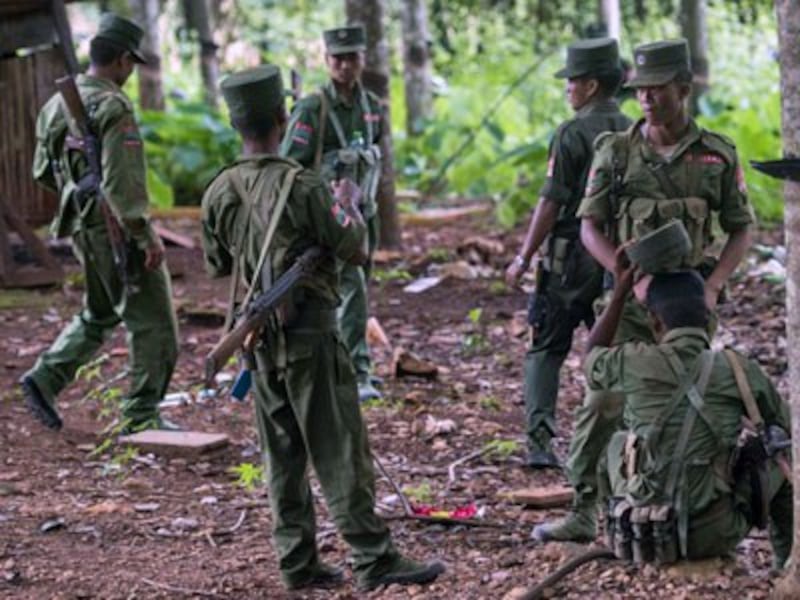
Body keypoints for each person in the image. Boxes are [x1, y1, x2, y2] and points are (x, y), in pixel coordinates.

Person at [201, 64, 444, 592]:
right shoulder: (303, 186)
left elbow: (219, 264)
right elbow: (355, 249)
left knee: (281, 456)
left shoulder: (219, 190)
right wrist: (350, 209)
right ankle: (373, 559)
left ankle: (297, 563)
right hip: (311, 338)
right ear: (282, 117)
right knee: (340, 451)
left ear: (236, 122)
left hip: (259, 343)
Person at [534, 39, 754, 541]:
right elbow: (589, 226)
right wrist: (626, 278)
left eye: (657, 90)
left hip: (688, 305)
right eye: (640, 90)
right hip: (630, 302)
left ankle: (692, 506)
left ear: (683, 87)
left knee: (690, 402)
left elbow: (741, 227)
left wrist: (715, 284)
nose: (647, 99)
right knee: (603, 400)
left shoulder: (716, 156)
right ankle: (585, 509)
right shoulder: (615, 151)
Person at [22, 13, 178, 433]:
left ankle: (45, 377)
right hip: (115, 229)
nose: (130, 73)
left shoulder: (56, 104)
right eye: (132, 65)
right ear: (124, 60)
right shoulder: (112, 104)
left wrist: (79, 189)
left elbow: (42, 171)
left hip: (80, 224)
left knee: (100, 311)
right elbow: (124, 186)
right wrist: (145, 237)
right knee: (156, 325)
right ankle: (142, 415)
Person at [586, 252, 791, 568]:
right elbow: (787, 427)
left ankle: (619, 527)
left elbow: (592, 354)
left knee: (616, 443)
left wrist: (619, 295)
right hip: (715, 532)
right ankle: (786, 564)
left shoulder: (632, 360)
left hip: (648, 532)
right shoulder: (736, 368)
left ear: (654, 320)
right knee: (783, 451)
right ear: (708, 317)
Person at [505, 38, 631, 468]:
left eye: (573, 81)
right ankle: (619, 442)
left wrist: (523, 256)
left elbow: (551, 201)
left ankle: (541, 445)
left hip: (567, 260)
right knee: (613, 352)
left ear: (592, 85)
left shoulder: (572, 133)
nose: (568, 89)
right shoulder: (633, 130)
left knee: (546, 349)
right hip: (617, 259)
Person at [279, 25, 383, 402]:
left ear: (362, 60)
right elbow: (291, 165)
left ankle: (343, 364)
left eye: (352, 57)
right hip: (332, 219)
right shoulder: (313, 108)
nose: (344, 65)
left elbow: (376, 155)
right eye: (337, 58)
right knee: (351, 287)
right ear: (326, 61)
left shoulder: (371, 107)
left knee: (359, 287)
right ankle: (357, 372)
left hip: (365, 212)